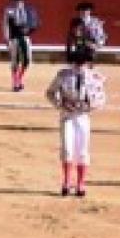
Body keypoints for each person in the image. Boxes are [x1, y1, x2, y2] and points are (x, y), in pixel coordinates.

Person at [45, 47, 106, 197]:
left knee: (82, 150)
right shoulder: (63, 75)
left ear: (87, 63)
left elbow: (102, 98)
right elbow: (50, 93)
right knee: (67, 148)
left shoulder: (95, 77)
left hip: (82, 116)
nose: (79, 66)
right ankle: (66, 182)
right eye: (76, 63)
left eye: (82, 63)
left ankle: (80, 184)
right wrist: (60, 104)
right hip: (67, 115)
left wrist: (91, 106)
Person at [2, 0, 39, 92]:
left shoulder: (29, 11)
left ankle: (19, 78)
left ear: (23, 1)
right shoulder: (9, 11)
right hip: (14, 38)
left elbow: (35, 23)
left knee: (27, 60)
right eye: (16, 0)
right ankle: (15, 83)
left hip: (25, 37)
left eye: (20, 0)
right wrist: (7, 40)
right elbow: (6, 26)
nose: (18, 2)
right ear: (13, 1)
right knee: (15, 61)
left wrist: (30, 29)